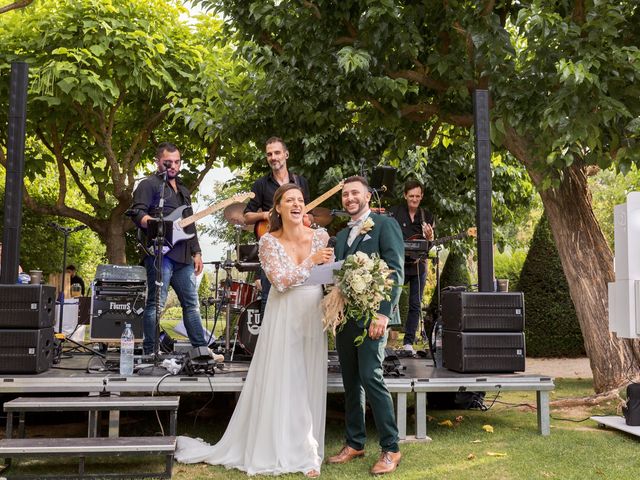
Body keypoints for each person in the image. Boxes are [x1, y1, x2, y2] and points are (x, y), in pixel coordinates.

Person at [175, 183, 333, 477]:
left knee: (308, 379)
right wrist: (311, 261)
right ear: (278, 208)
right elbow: (281, 281)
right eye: (290, 201)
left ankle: (309, 446)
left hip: (312, 313)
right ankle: (296, 452)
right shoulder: (268, 243)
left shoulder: (321, 236)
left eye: (300, 200)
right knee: (288, 379)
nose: (297, 205)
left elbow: (328, 274)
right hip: (283, 314)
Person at [328, 176, 404, 475]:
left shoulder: (385, 226)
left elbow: (395, 271)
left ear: (368, 196)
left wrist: (383, 314)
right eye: (345, 195)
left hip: (373, 316)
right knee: (350, 382)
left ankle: (391, 448)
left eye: (355, 193)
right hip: (346, 319)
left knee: (371, 377)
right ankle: (355, 442)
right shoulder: (341, 235)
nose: (350, 199)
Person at [129, 142, 220, 361]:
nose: (173, 166)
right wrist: (154, 223)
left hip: (183, 256)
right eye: (168, 162)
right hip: (160, 254)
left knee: (191, 304)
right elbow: (137, 213)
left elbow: (190, 224)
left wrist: (197, 252)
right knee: (156, 304)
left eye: (177, 162)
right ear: (158, 162)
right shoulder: (148, 185)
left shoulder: (184, 190)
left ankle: (201, 351)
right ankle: (151, 351)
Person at [243, 136, 311, 316]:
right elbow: (247, 216)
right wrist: (266, 214)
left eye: (277, 153)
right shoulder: (261, 184)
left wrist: (308, 218)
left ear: (286, 154)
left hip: (298, 250)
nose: (273, 157)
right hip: (274, 249)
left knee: (300, 294)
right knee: (269, 297)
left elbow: (308, 212)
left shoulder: (301, 182)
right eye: (269, 154)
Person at [390, 180, 435, 355]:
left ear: (422, 196)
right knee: (389, 299)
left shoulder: (427, 216)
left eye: (417, 196)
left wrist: (430, 238)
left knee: (415, 304)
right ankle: (382, 335)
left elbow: (428, 246)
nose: (414, 199)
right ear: (405, 196)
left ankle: (408, 343)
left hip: (418, 266)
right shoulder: (394, 213)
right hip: (398, 265)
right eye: (411, 196)